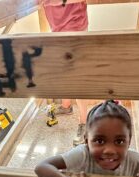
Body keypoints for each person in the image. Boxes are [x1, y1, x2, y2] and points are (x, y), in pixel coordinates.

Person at [41, 0, 89, 146]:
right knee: (63, 72)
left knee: (77, 78)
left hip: (75, 27)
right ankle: (66, 106)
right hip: (58, 28)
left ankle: (84, 123)